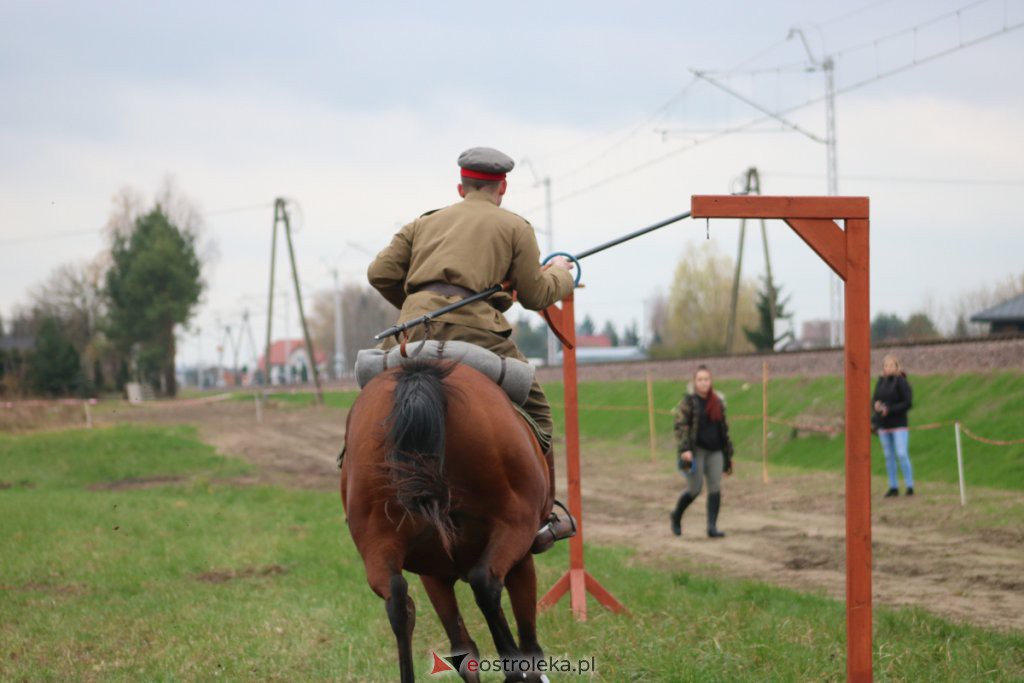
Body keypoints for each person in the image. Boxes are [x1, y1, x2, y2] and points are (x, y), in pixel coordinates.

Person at [367, 146, 577, 553]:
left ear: (461, 187)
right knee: (538, 411)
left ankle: (352, 472)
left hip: (412, 334)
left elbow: (379, 273)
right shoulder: (515, 227)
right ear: (502, 188)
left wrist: (417, 303)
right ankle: (543, 516)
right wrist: (560, 277)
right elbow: (535, 295)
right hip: (477, 337)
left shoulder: (422, 223)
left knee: (374, 400)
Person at [669, 365, 734, 538]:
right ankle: (676, 516)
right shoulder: (689, 402)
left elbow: (724, 430)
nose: (703, 383)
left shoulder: (718, 402)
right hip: (695, 451)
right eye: (700, 380)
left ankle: (712, 527)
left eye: (706, 379)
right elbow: (681, 426)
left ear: (711, 381)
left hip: (715, 451)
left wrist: (728, 456)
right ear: (694, 382)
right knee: (694, 489)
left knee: (715, 487)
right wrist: (685, 449)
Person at [873, 354, 915, 497]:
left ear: (897, 367)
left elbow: (908, 403)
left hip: (899, 424)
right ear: (883, 368)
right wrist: (876, 406)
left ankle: (909, 486)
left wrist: (890, 409)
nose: (889, 368)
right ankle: (893, 487)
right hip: (884, 426)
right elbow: (874, 399)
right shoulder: (880, 383)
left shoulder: (901, 382)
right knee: (888, 456)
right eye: (886, 365)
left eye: (892, 365)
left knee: (902, 454)